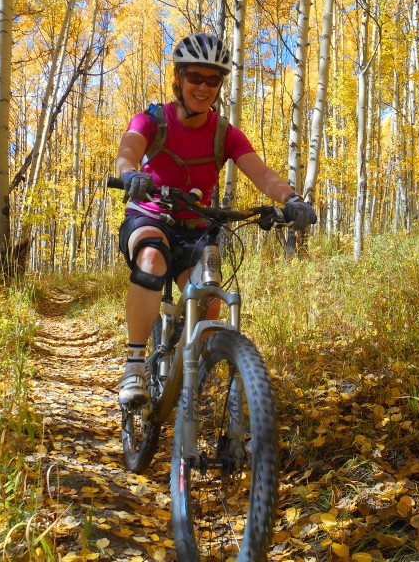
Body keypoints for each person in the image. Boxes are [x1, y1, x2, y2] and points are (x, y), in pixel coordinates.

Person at [114, 32, 316, 405]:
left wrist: (292, 199)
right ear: (178, 79)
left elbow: (263, 174)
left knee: (209, 296)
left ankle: (189, 376)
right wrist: (131, 175)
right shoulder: (151, 119)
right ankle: (135, 364)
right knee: (151, 259)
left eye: (213, 80)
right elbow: (128, 151)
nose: (203, 87)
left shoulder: (225, 133)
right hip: (149, 216)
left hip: (196, 227)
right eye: (195, 77)